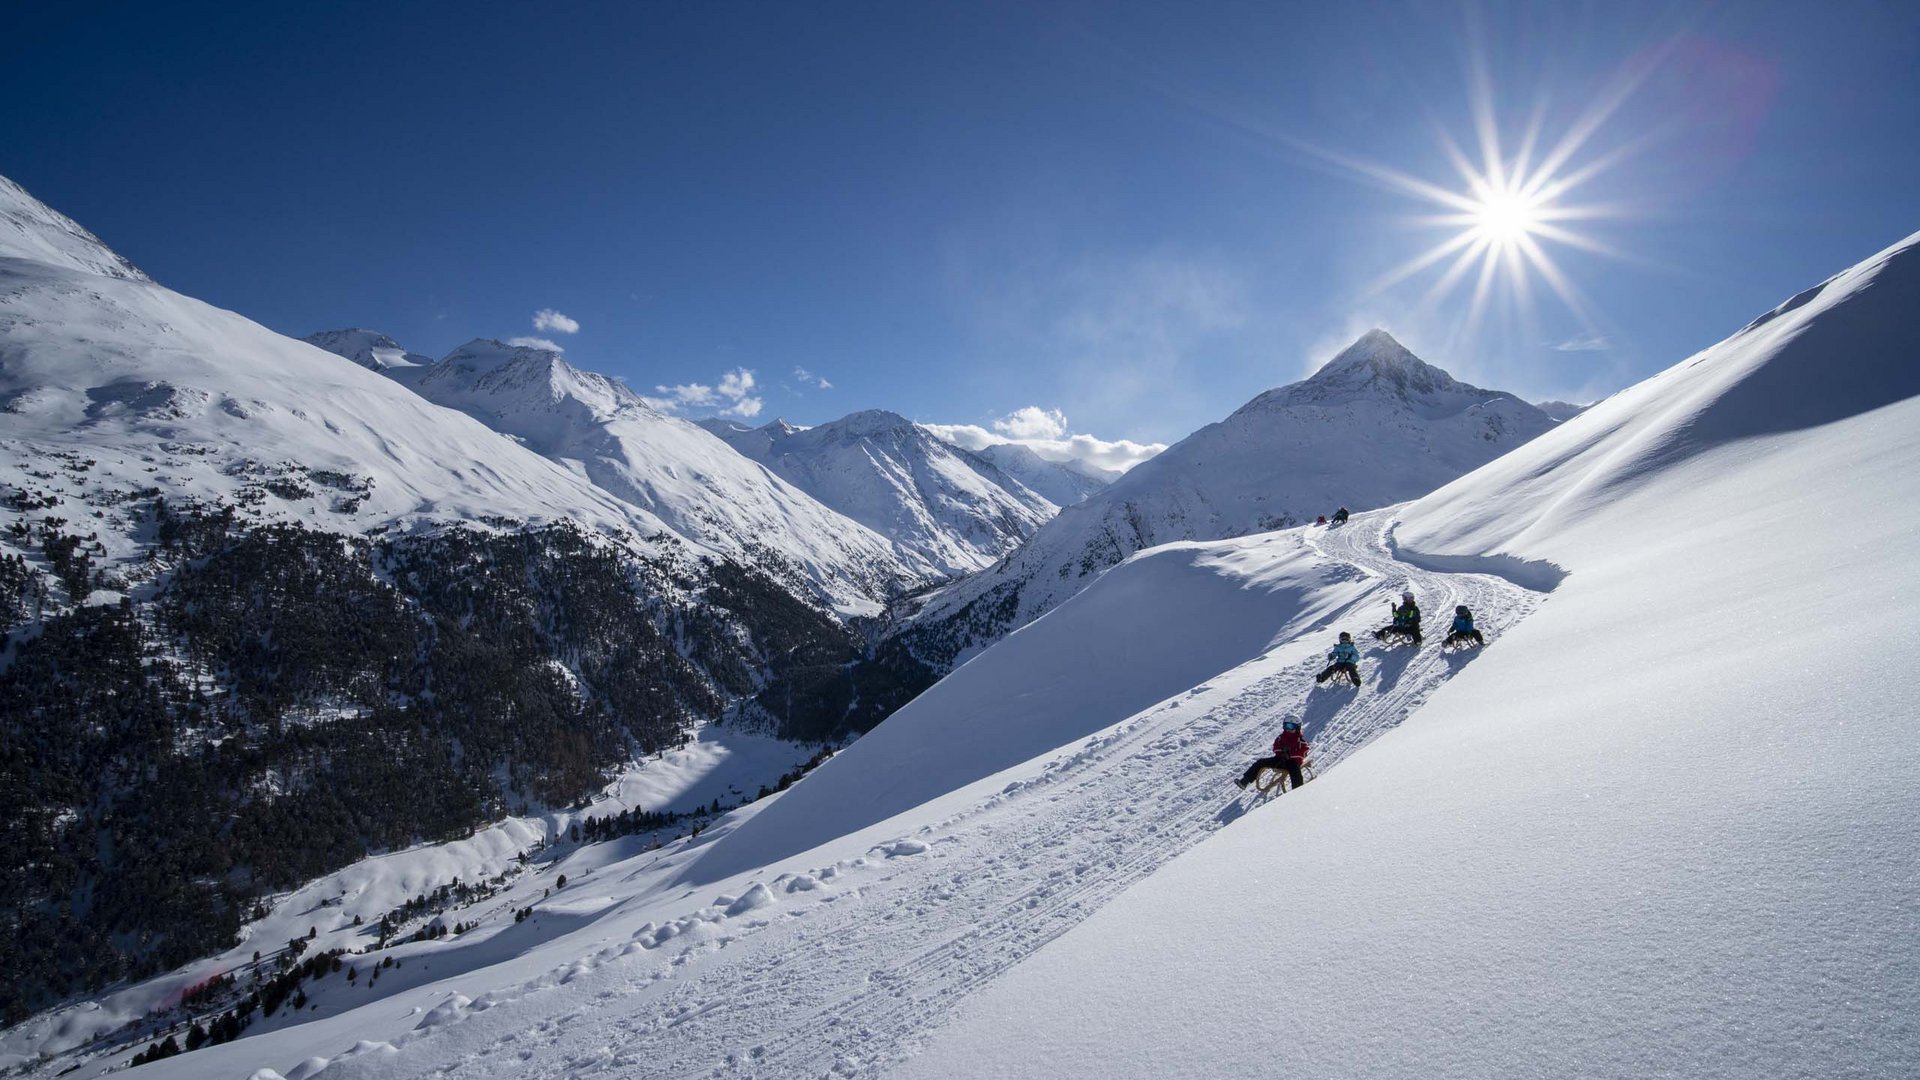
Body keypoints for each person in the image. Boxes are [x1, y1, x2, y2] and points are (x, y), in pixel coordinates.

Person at [1235, 719, 1310, 790]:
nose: (1288, 729)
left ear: (1297, 727)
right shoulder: (1281, 737)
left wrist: (1290, 755)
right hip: (1280, 760)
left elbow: (1304, 752)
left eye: (1291, 727)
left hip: (1293, 762)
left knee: (1295, 772)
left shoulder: (1300, 740)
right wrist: (1281, 752)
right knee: (1261, 762)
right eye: (1286, 726)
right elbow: (1275, 747)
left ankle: (1297, 790)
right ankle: (1244, 781)